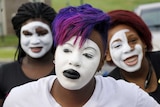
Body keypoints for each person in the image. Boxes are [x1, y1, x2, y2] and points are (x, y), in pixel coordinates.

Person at [3, 4, 160, 107]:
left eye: (88, 54)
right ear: (55, 54)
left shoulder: (129, 97)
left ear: (101, 62)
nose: (75, 61)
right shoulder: (20, 100)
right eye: (67, 50)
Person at [0, 2, 56, 106]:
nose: (35, 41)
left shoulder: (65, 72)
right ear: (19, 35)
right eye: (27, 34)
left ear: (53, 33)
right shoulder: (4, 73)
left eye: (42, 33)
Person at [105, 10, 160, 103]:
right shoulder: (110, 90)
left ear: (144, 42)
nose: (128, 49)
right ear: (107, 55)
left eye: (133, 40)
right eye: (117, 45)